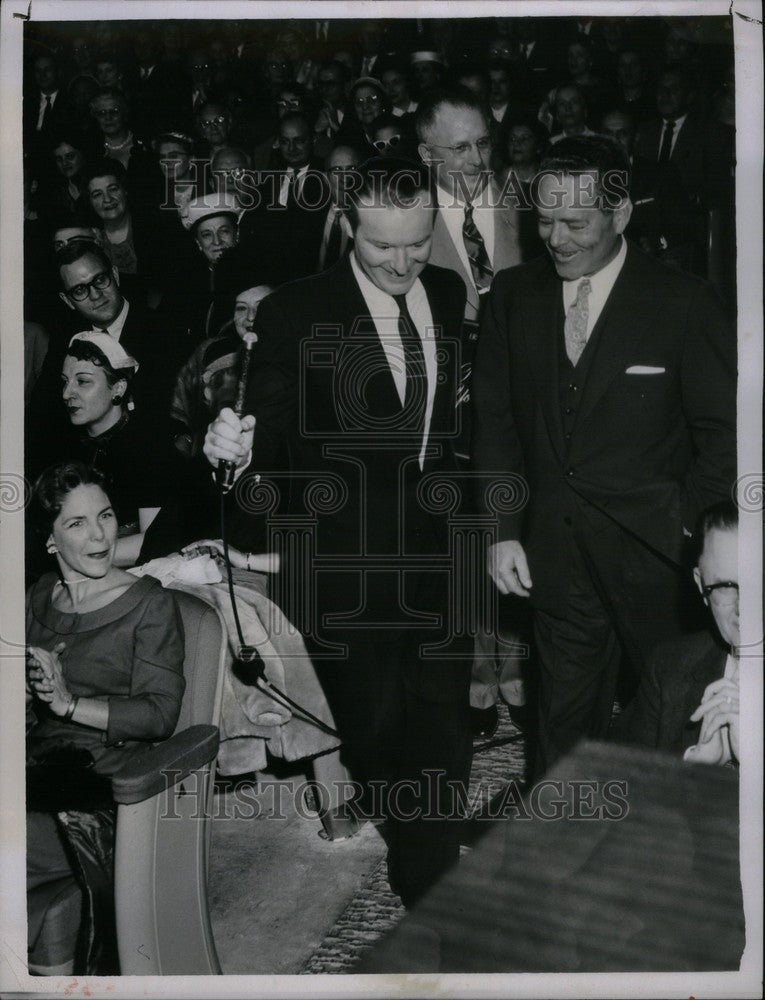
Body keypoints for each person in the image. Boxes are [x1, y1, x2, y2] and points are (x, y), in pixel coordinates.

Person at [202, 157, 472, 909]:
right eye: (383, 245)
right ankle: (408, 820)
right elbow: (265, 433)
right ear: (347, 227)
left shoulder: (446, 294)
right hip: (345, 557)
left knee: (444, 715)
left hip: (439, 542)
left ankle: (429, 870)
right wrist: (228, 450)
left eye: (416, 243)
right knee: (376, 726)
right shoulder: (297, 312)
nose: (402, 262)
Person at [472, 135, 736, 775]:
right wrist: (502, 530)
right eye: (543, 219)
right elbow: (497, 423)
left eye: (575, 223)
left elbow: (723, 435)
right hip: (556, 561)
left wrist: (687, 531)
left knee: (676, 726)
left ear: (620, 215)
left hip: (661, 565)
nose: (555, 238)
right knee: (562, 736)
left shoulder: (684, 302)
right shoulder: (511, 295)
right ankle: (558, 858)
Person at [26, 461, 185, 974]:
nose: (99, 535)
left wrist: (68, 703)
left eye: (107, 516)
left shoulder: (149, 605)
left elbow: (160, 714)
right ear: (49, 540)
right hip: (35, 772)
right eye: (76, 523)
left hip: (101, 793)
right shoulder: (37, 596)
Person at [417, 86, 525, 734]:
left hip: (522, 402)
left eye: (483, 142)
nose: (476, 157)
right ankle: (476, 679)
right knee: (463, 541)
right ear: (427, 153)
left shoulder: (524, 205)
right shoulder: (407, 221)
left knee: (518, 526)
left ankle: (516, 670)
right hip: (448, 413)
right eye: (459, 147)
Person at [625, 500, 741, 763]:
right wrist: (694, 767)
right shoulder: (669, 668)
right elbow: (624, 787)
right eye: (724, 586)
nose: (742, 607)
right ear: (701, 585)